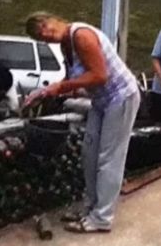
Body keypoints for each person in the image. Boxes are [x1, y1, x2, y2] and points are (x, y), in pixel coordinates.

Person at [24, 12, 140, 233]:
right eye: (41, 37)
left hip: (121, 96)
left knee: (109, 158)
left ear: (55, 19)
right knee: (89, 153)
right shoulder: (65, 46)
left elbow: (99, 76)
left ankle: (102, 218)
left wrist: (61, 87)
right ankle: (90, 208)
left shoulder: (81, 36)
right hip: (101, 100)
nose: (47, 35)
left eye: (45, 27)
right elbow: (78, 81)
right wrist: (47, 92)